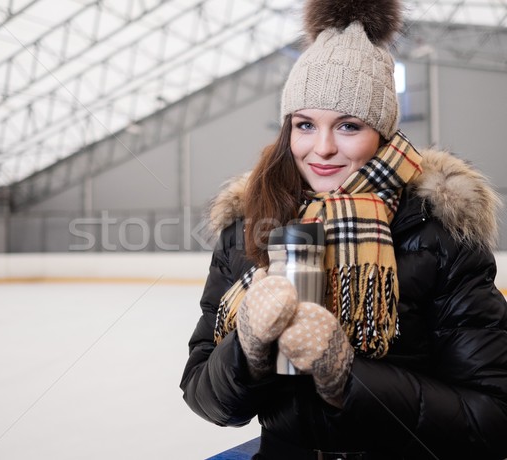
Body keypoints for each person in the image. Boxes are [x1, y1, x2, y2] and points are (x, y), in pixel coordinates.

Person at [180, 0, 507, 459]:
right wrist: (247, 344)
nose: (323, 148)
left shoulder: (440, 235)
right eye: (305, 125)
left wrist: (344, 374)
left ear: (382, 133)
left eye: (349, 126)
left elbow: (491, 417)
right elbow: (205, 397)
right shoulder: (249, 226)